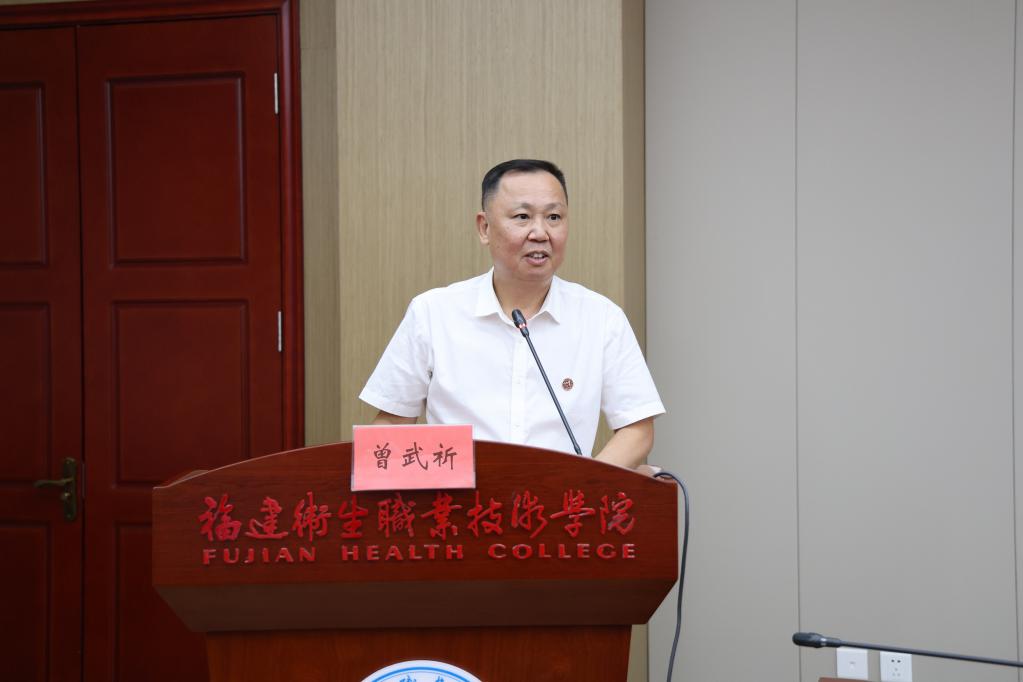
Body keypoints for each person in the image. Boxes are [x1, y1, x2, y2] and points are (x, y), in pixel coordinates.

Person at [359, 159, 664, 471]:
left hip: (561, 498)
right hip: (462, 500)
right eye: (522, 217)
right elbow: (392, 422)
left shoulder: (601, 318)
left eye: (554, 217)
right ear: (484, 228)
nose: (540, 233)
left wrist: (587, 486)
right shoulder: (433, 313)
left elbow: (637, 429)